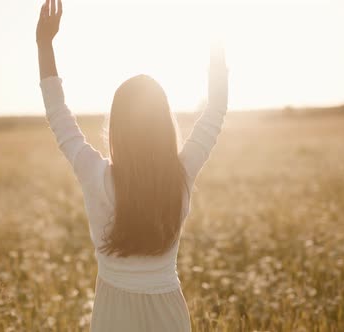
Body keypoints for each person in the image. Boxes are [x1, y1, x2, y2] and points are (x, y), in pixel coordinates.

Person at [36, 0, 228, 330]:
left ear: (118, 127)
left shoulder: (95, 174)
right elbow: (214, 113)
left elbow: (58, 115)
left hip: (114, 315)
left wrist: (44, 44)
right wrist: (216, 45)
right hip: (169, 314)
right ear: (164, 124)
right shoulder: (180, 176)